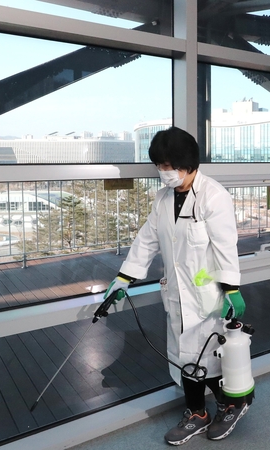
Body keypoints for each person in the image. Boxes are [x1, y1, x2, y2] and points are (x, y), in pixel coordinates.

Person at [103, 127, 249, 446]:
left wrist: (232, 289)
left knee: (210, 356)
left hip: (209, 295)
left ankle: (232, 405)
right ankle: (197, 413)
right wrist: (126, 276)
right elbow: (147, 240)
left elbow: (226, 245)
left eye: (167, 165)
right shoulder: (163, 198)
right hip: (178, 295)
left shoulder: (213, 196)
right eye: (159, 166)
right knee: (186, 357)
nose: (163, 171)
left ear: (186, 163)